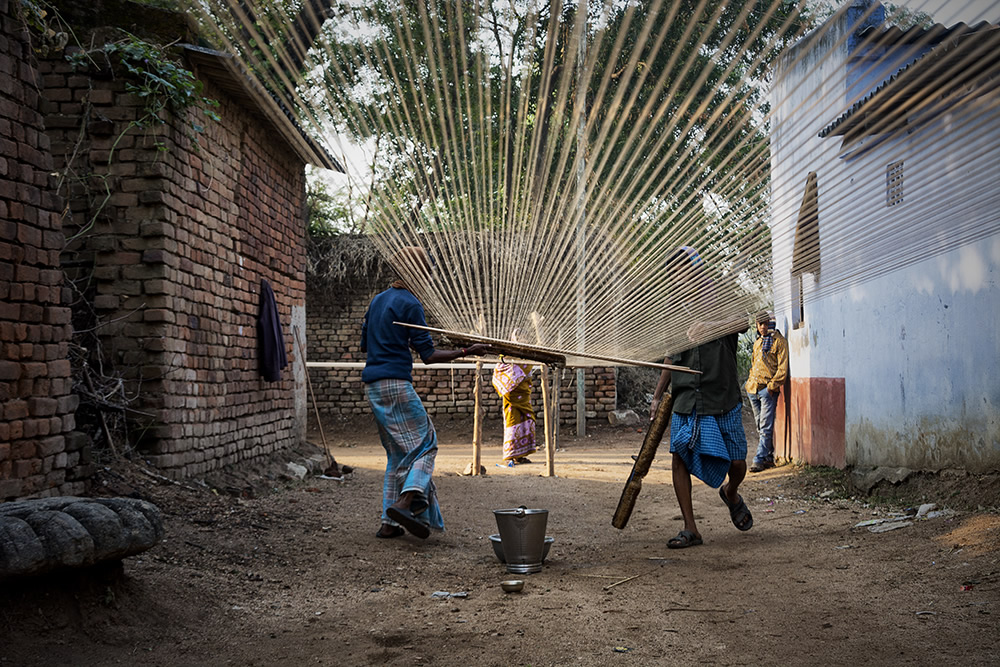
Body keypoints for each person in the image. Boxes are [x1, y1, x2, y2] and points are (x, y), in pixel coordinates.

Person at [361, 246, 488, 539]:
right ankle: (407, 502)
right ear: (416, 274)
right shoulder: (411, 303)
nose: (428, 279)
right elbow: (428, 355)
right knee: (426, 444)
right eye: (426, 273)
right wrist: (467, 350)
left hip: (373, 385)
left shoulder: (377, 301)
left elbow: (367, 344)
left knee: (397, 455)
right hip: (395, 383)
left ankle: (388, 523)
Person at [649, 247, 753, 549]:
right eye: (674, 272)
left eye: (684, 269)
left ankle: (731, 493)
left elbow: (742, 322)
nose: (679, 276)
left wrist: (710, 327)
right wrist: (657, 396)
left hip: (721, 395)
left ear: (697, 270)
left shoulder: (720, 298)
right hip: (686, 399)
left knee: (737, 463)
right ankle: (690, 528)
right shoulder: (671, 312)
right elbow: (670, 358)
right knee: (679, 457)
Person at [745, 310, 789, 472]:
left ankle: (758, 459)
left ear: (771, 323)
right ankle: (769, 457)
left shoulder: (779, 342)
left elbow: (782, 369)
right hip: (753, 389)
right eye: (760, 324)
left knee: (765, 425)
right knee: (760, 425)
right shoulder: (758, 342)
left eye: (765, 323)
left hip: (767, 390)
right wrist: (749, 384)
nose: (763, 327)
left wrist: (771, 387)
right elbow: (753, 364)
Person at [491, 348, 537, 466]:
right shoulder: (505, 359)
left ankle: (521, 455)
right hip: (512, 399)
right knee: (512, 424)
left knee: (527, 422)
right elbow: (501, 376)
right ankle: (510, 455)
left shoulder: (528, 358)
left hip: (524, 397)